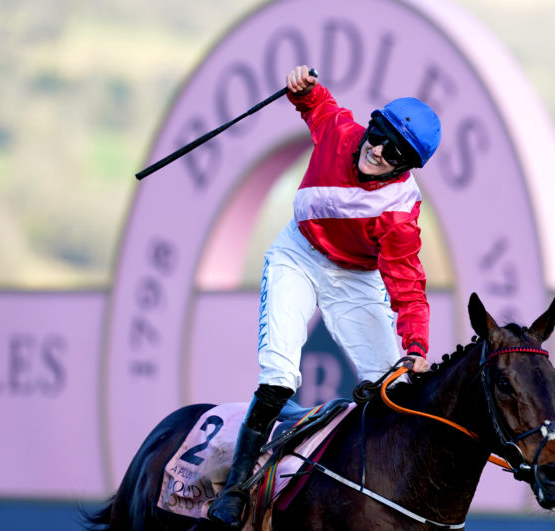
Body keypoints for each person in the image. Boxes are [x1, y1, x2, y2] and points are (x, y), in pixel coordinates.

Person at [207, 64, 442, 528]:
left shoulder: (398, 215)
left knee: (392, 392)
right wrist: (302, 87)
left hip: (355, 279)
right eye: (377, 135)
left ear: (406, 166)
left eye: (392, 152)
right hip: (298, 255)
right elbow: (318, 104)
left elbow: (408, 287)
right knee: (279, 377)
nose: (376, 150)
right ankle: (235, 489)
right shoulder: (341, 132)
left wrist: (416, 347)